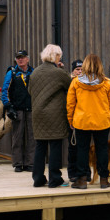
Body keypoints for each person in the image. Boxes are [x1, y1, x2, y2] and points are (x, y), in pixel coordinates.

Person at [67, 54, 110, 189]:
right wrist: (108, 118)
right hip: (102, 121)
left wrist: (70, 119)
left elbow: (70, 103)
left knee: (82, 150)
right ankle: (104, 179)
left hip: (82, 121)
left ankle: (82, 180)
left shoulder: (76, 82)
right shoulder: (106, 82)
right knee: (102, 149)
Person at [27, 44, 71, 188]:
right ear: (56, 56)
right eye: (59, 56)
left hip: (38, 114)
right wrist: (62, 69)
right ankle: (54, 179)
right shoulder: (58, 72)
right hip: (55, 115)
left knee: (40, 147)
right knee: (55, 146)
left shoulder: (34, 73)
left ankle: (38, 179)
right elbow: (70, 86)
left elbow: (30, 91)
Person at [1, 49, 35, 172]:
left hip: (31, 108)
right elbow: (4, 91)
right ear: (16, 60)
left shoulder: (33, 72)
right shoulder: (12, 72)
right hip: (17, 109)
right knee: (17, 137)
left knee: (32, 137)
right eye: (18, 58)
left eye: (23, 57)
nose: (20, 59)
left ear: (28, 59)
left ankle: (30, 163)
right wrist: (8, 106)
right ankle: (17, 164)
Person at [66, 60, 82, 182]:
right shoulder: (69, 82)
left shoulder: (86, 82)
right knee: (73, 147)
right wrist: (70, 119)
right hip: (72, 119)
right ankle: (72, 173)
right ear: (73, 71)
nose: (80, 71)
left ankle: (83, 172)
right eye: (77, 69)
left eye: (81, 69)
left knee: (84, 147)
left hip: (83, 119)